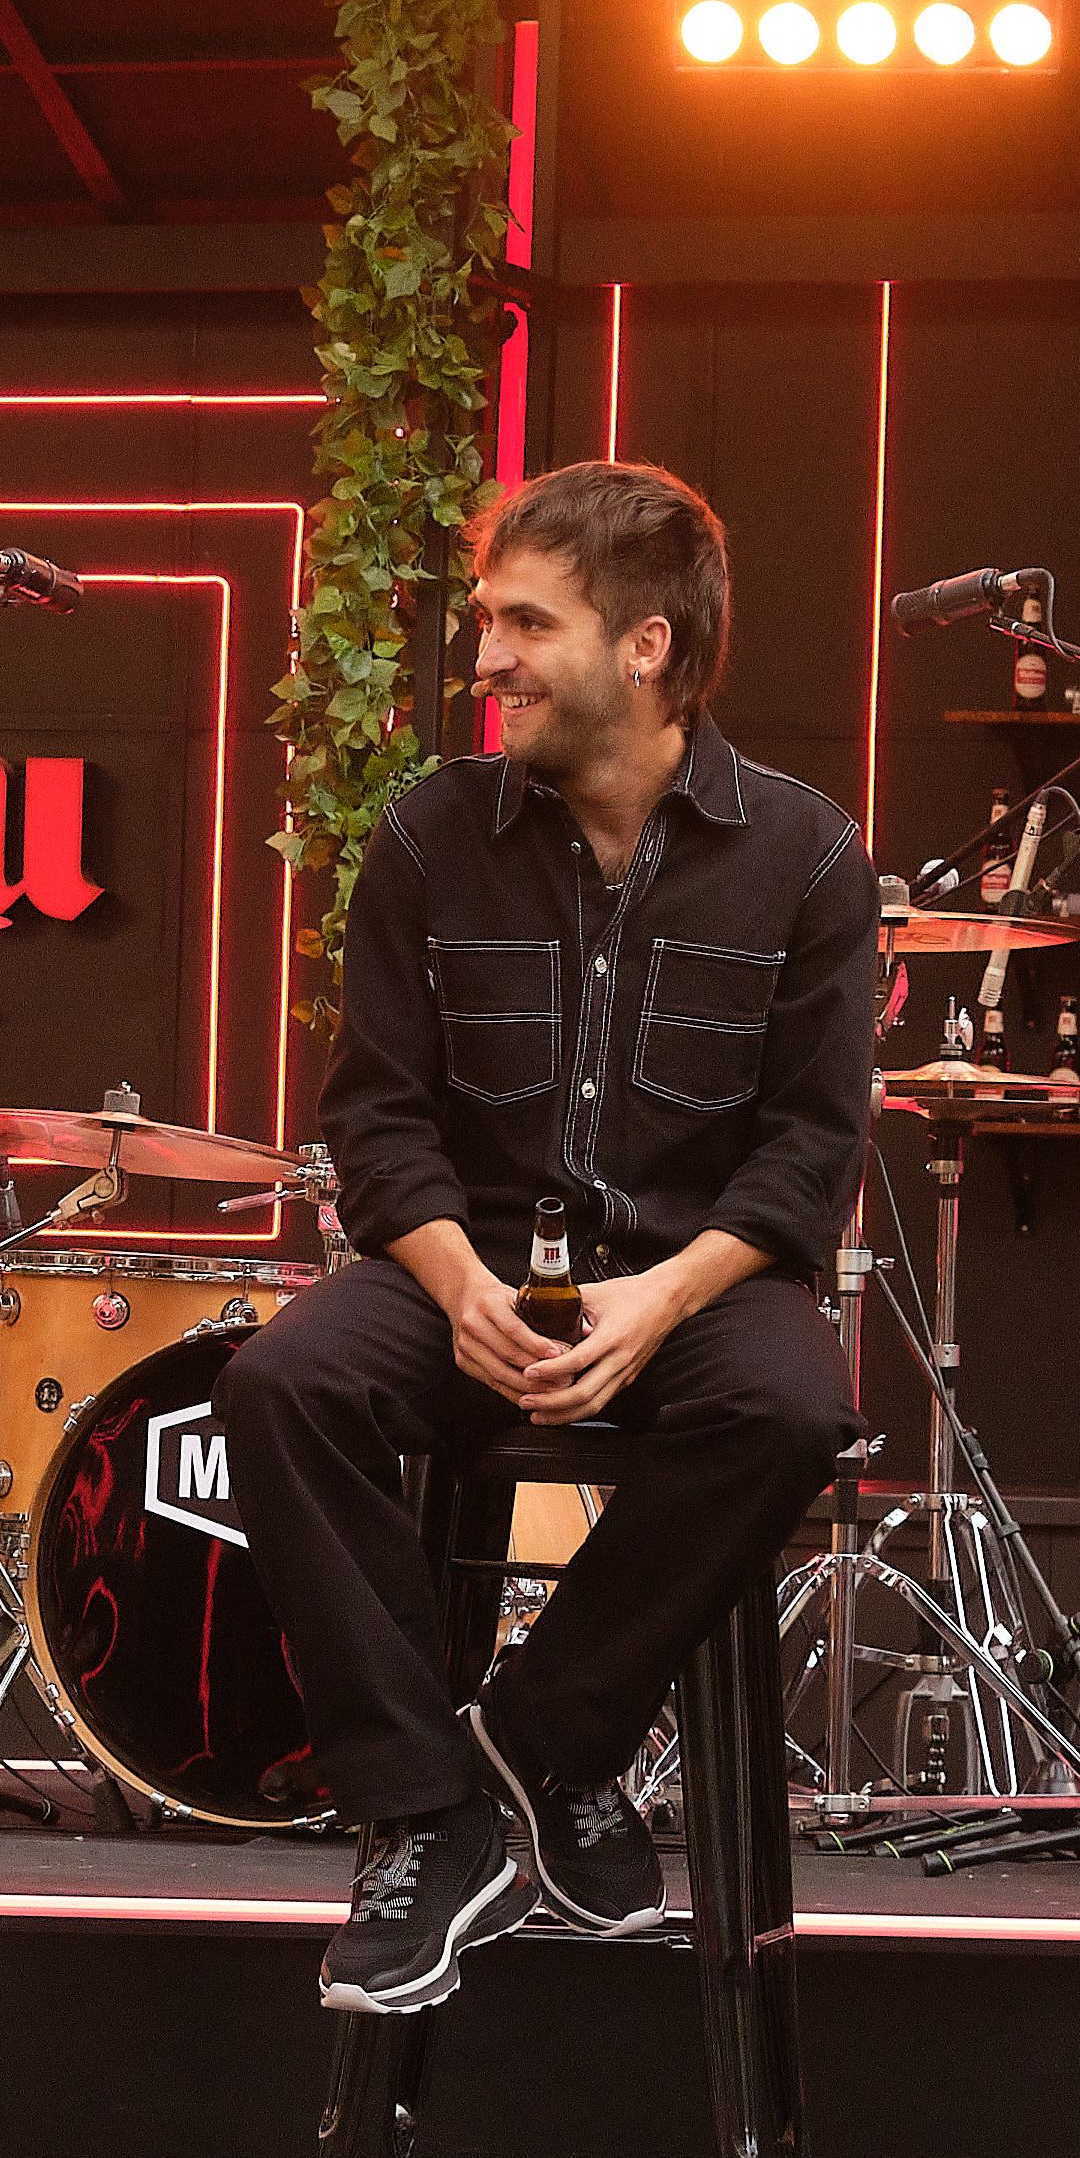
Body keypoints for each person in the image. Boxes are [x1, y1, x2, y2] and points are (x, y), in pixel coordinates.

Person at [226, 458, 878, 2023]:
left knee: (792, 1401)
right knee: (282, 1382)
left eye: (526, 620)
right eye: (487, 618)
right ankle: (432, 1807)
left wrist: (664, 1291)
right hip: (467, 1266)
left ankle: (546, 1734)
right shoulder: (429, 836)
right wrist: (455, 1283)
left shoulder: (804, 854)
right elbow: (375, 1119)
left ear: (644, 645)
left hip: (688, 1280)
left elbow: (811, 1146)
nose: (489, 655)